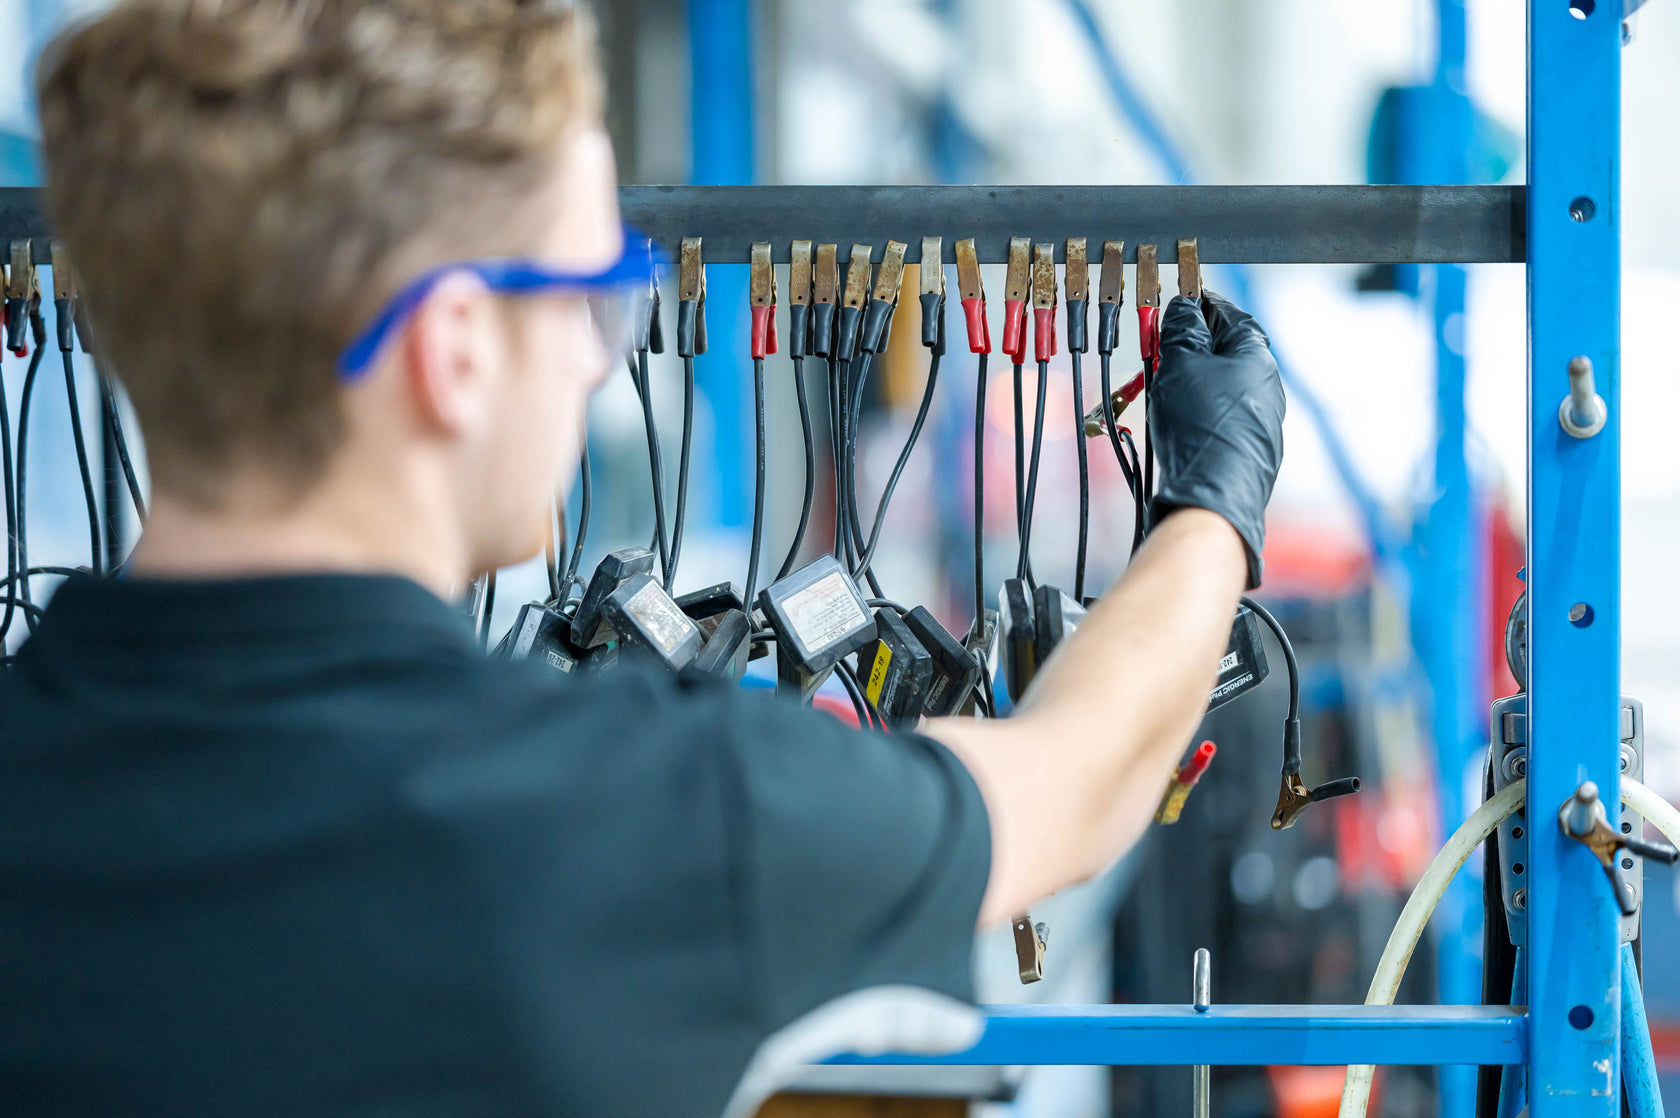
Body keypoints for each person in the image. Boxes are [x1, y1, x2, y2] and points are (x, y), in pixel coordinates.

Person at [0, 2, 1285, 1116]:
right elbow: (1077, 776)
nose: (597, 353)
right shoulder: (653, 813)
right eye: (591, 293)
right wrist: (1211, 505)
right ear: (453, 350)